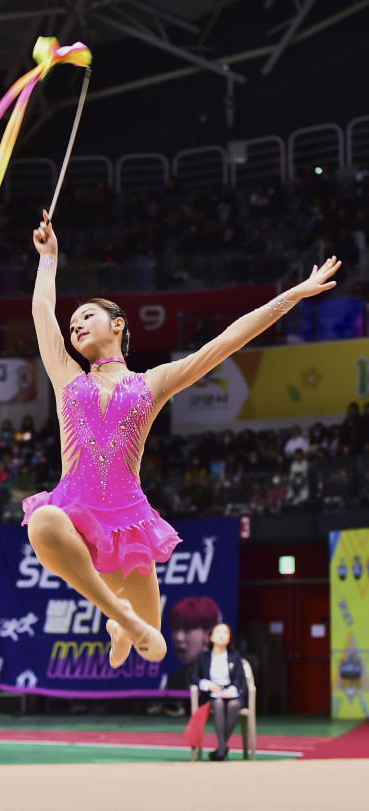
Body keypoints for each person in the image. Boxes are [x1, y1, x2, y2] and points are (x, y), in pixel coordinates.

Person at [25, 208, 340, 667]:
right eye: (72, 323)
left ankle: (122, 622)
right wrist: (48, 259)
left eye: (86, 315)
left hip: (127, 524)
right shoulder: (66, 378)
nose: (75, 325)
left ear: (118, 325)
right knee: (42, 522)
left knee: (154, 651)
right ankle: (119, 616)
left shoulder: (151, 384)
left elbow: (226, 342)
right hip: (73, 513)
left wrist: (292, 295)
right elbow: (39, 311)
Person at [192, 622, 244, 761]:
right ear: (211, 637)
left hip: (231, 692)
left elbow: (238, 678)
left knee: (234, 705)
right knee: (219, 703)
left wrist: (231, 690)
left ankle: (221, 748)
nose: (222, 635)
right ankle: (222, 747)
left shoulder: (235, 655)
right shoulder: (203, 656)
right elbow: (194, 677)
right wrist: (208, 685)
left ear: (229, 638)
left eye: (225, 633)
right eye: (218, 632)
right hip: (211, 694)